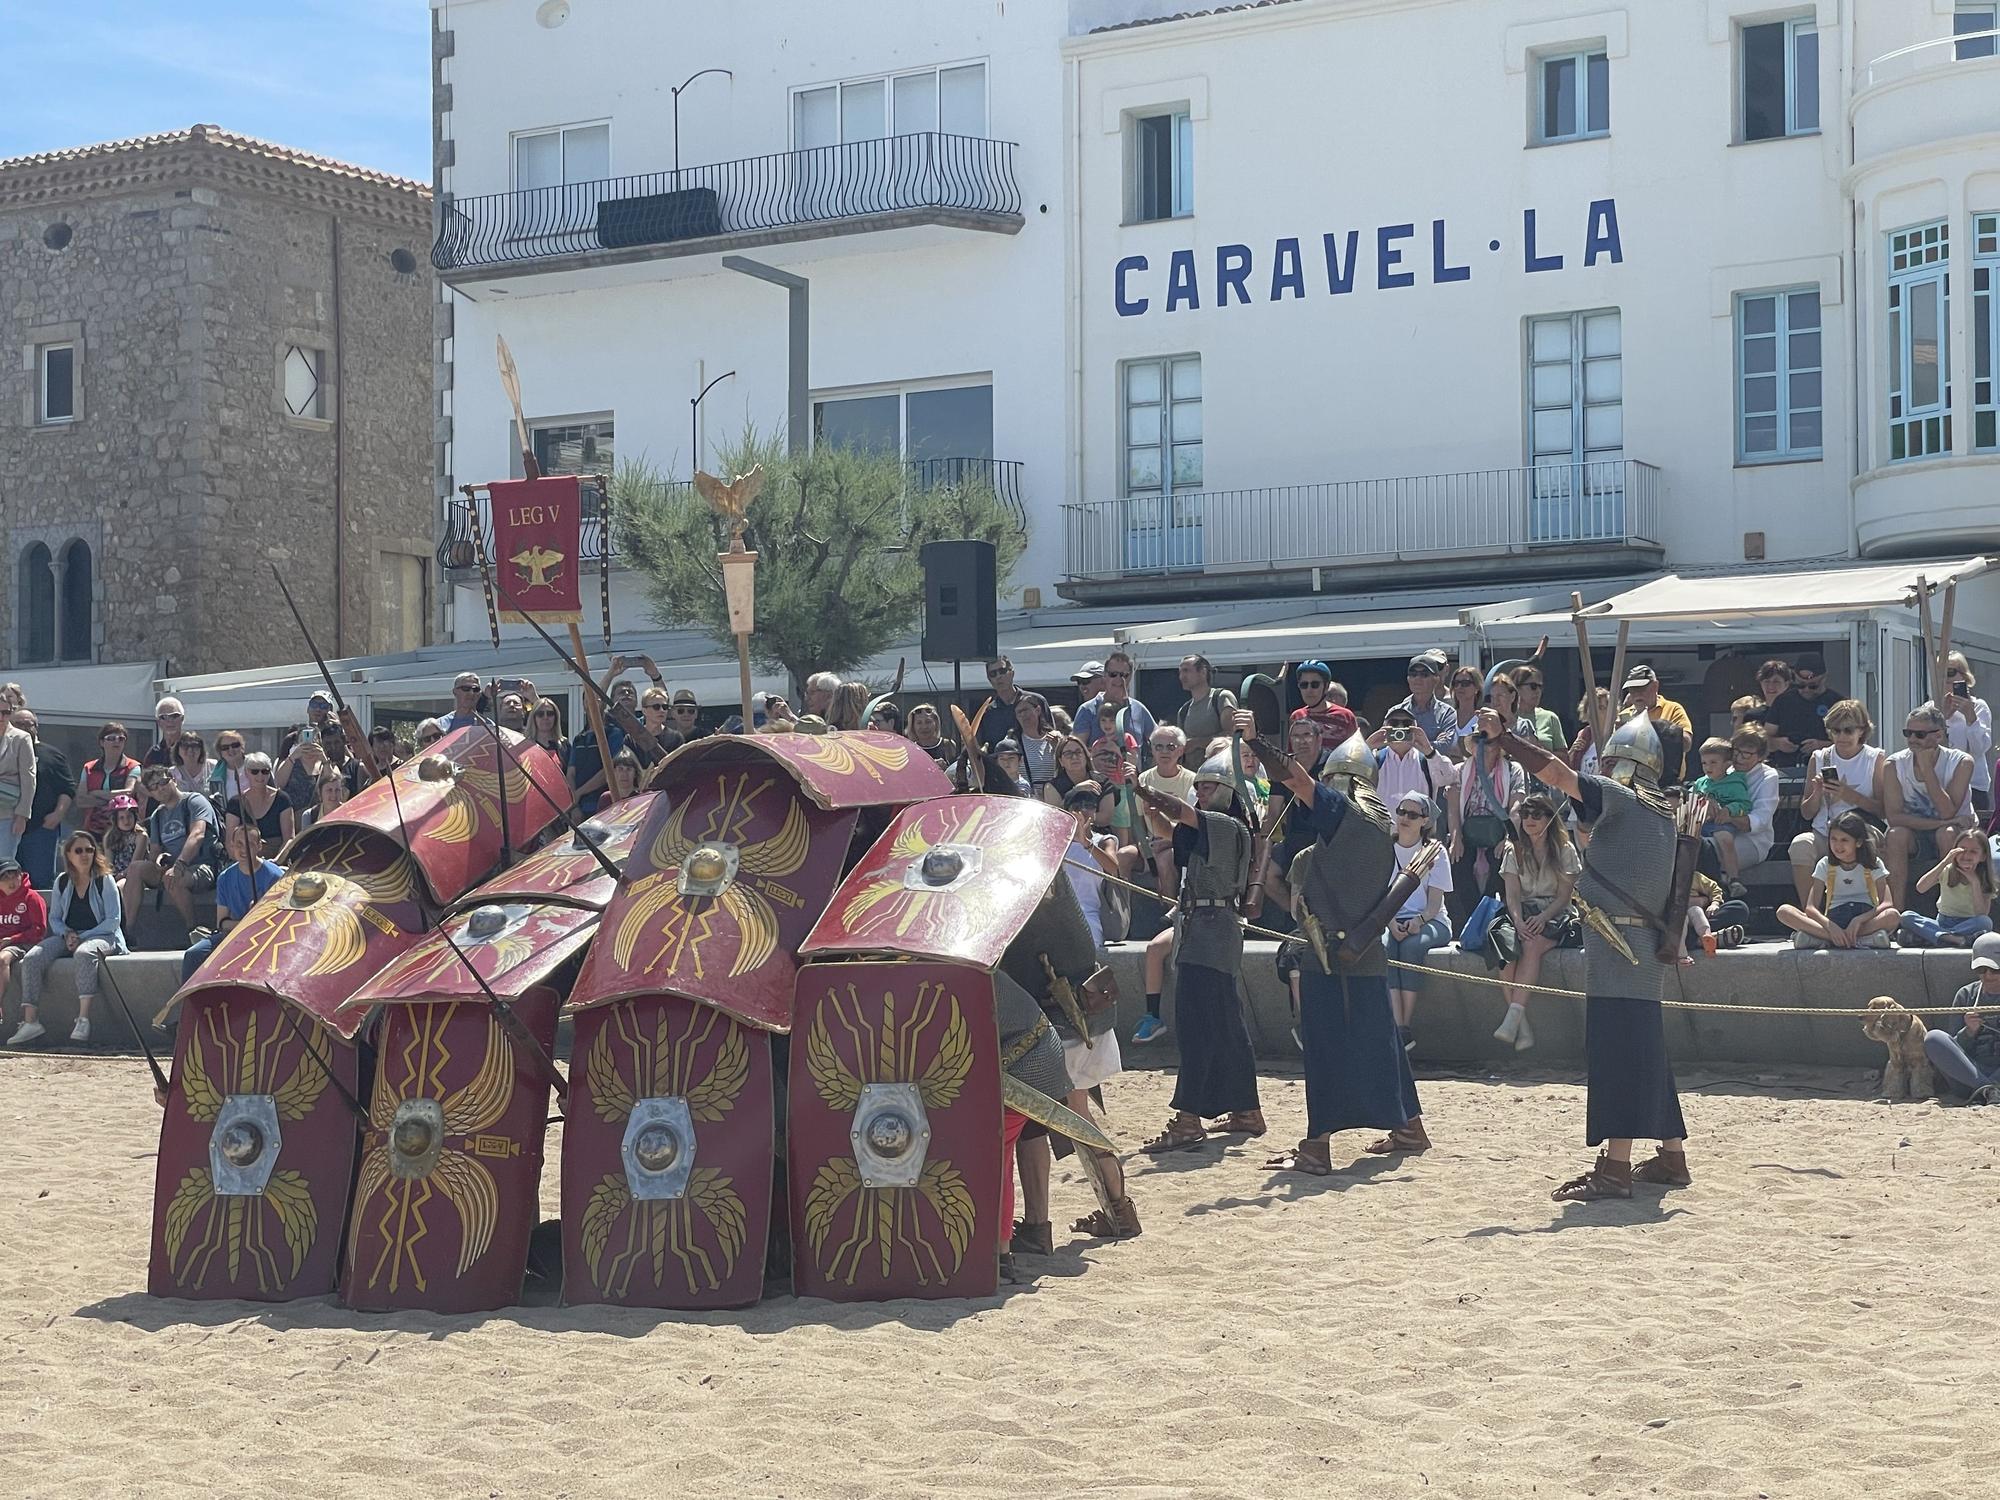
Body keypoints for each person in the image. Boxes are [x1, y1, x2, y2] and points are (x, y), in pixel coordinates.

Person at [1478, 702, 1691, 1200]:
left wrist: (1505, 740)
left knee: (1620, 1054)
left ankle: (1615, 1170)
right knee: (1645, 1052)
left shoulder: (1621, 798)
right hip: (1635, 947)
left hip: (1620, 951)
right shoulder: (1661, 810)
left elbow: (1555, 773)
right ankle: (1672, 1157)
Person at [1251, 708, 1429, 1174]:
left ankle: (1317, 1145)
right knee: (1379, 1040)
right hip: (1366, 953)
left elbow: (1298, 783)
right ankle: (1409, 1126)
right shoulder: (1377, 826)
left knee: (1326, 1047)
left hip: (1331, 955)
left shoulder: (1345, 815)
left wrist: (1256, 742)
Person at [1135, 753, 1262, 1152]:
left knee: (1195, 1026)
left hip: (1210, 932)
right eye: (1200, 786)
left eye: (1210, 786)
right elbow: (1170, 829)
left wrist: (1144, 789)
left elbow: (1179, 813)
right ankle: (1246, 1110)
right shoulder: (1212, 830)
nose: (1202, 792)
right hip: (1204, 929)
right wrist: (1140, 797)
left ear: (1228, 792)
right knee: (1226, 1024)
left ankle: (1189, 1119)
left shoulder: (1225, 824)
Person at [1487, 791, 1583, 1051]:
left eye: (1536, 814)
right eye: (1525, 814)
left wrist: (1543, 917)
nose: (1529, 819)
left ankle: (1513, 1018)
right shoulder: (1513, 849)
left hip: (1555, 913)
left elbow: (1565, 896)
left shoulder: (1565, 849)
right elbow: (1512, 895)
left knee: (1532, 945)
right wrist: (1517, 921)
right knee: (1505, 948)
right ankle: (1520, 1022)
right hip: (1521, 912)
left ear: (1550, 818)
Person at [12, 830, 126, 1044]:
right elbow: (54, 918)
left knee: (84, 954)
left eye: (89, 850)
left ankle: (83, 1019)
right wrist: (67, 933)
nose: (85, 855)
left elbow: (113, 921)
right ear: (68, 855)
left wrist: (83, 937)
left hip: (103, 935)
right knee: (32, 958)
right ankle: (30, 1021)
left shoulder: (105, 880)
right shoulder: (62, 881)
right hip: (70, 935)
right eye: (79, 850)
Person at [1789, 701, 1886, 904]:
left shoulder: (1874, 758)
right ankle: (1812, 914)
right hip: (1826, 832)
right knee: (1800, 845)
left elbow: (1883, 809)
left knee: (1864, 845)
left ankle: (1868, 908)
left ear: (1862, 731)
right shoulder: (1820, 758)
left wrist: (1850, 795)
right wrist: (1817, 794)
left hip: (1862, 831)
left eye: (1848, 730)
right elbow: (1807, 813)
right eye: (1836, 730)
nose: (1841, 736)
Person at [1883, 703, 1975, 906]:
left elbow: (1947, 811)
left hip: (1954, 832)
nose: (1912, 740)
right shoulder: (1894, 764)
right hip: (1914, 834)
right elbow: (1894, 817)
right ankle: (1894, 914)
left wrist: (1927, 769)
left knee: (1947, 834)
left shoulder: (1961, 762)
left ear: (1939, 735)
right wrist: (1939, 824)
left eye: (1920, 735)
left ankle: (1952, 911)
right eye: (1908, 733)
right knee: (1895, 835)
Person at [1383, 791, 1453, 1054]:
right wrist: (1390, 923)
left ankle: (1404, 1023)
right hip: (1391, 919)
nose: (1404, 819)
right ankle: (1397, 1026)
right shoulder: (1385, 848)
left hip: (1431, 920)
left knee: (1411, 947)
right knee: (1385, 946)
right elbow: (1380, 895)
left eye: (1412, 815)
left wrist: (1418, 921)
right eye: (1401, 812)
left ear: (1424, 821)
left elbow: (1434, 903)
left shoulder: (1435, 851)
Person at [1777, 810, 1899, 950]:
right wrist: (1831, 927)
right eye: (1833, 839)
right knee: (1784, 912)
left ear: (1858, 842)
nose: (1837, 845)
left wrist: (1859, 920)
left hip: (1863, 919)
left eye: (1844, 840)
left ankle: (1822, 939)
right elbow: (1811, 908)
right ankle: (1857, 939)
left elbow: (1887, 903)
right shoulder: (1825, 864)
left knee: (1893, 916)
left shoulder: (1873, 863)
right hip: (1834, 918)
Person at [182, 823, 284, 982]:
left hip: (265, 937)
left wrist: (258, 916)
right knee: (194, 954)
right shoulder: (225, 877)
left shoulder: (275, 876)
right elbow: (222, 923)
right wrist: (246, 922)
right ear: (231, 846)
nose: (243, 850)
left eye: (249, 844)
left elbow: (280, 921)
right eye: (239, 844)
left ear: (259, 846)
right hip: (233, 935)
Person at [1448, 716, 1522, 930]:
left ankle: (1492, 922)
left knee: (1502, 861)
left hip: (1499, 833)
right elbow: (1453, 809)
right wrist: (1456, 837)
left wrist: (1509, 838)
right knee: (1457, 860)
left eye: (1490, 741)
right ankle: (1471, 922)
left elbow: (1516, 807)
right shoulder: (1461, 770)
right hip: (1467, 832)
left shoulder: (1513, 770)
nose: (1486, 747)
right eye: (1480, 741)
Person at [128, 765, 216, 934]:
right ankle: (129, 931)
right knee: (135, 868)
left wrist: (179, 865)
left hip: (202, 866)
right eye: (153, 787)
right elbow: (154, 852)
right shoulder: (157, 816)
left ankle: (194, 930)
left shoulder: (194, 801)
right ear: (151, 793)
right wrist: (159, 860)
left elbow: (197, 834)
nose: (159, 788)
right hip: (170, 868)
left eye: (163, 782)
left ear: (174, 780)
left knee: (173, 878)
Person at [1924, 937, 2000, 1103]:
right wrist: (1968, 1032)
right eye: (1982, 969)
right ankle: (1989, 1090)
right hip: (1970, 1076)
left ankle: (1992, 1088)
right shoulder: (1966, 995)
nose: (1987, 975)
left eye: (1994, 970)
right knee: (1934, 1038)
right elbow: (1953, 1048)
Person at [1901, 828, 1996, 947]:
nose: (1966, 855)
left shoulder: (1984, 878)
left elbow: (1981, 914)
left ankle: (1939, 937)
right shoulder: (1947, 870)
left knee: (1985, 923)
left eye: (1973, 851)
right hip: (1943, 921)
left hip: (1967, 923)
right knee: (1906, 917)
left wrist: (1974, 882)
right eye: (1962, 850)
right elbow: (1921, 887)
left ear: (1983, 856)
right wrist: (1945, 861)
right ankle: (1956, 939)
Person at [13, 711, 71, 890]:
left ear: (36, 726)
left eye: (28, 724)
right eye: (18, 724)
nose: (24, 728)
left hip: (40, 830)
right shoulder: (5, 751)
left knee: (39, 883)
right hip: (8, 826)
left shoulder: (52, 755)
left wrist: (58, 814)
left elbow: (67, 789)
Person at [1939, 652, 1994, 819]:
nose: (1946, 678)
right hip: (1941, 784)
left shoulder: (1979, 707)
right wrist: (1944, 718)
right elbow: (1927, 744)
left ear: (1964, 676)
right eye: (1941, 672)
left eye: (1950, 672)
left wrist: (1971, 717)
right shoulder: (1932, 707)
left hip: (1973, 783)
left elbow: (1980, 749)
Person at [1078, 651, 1156, 765]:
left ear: (1131, 676)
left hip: (1132, 780)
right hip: (1100, 780)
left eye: (1124, 675)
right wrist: (1093, 760)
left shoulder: (1139, 709)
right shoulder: (1087, 710)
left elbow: (1159, 740)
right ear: (1104, 675)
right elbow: (1076, 748)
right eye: (1113, 674)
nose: (1119, 679)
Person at [1619, 665, 1694, 781]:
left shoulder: (1673, 709)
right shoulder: (1624, 716)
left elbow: (1687, 743)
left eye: (1641, 688)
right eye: (1632, 689)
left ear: (1655, 686)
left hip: (1666, 783)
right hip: (1632, 782)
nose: (1637, 694)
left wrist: (1655, 727)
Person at [0, 859, 49, 1028]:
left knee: (2, 959)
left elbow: (39, 931)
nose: (11, 882)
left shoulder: (32, 898)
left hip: (23, 943)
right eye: (5, 878)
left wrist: (12, 940)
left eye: (14, 876)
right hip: (4, 942)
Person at [224, 752, 296, 859]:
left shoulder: (282, 799)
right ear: (246, 773)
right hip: (245, 862)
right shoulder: (235, 803)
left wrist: (276, 862)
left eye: (265, 771)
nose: (260, 775)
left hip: (276, 862)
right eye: (255, 771)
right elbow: (230, 842)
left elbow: (289, 839)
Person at [75, 723, 141, 838]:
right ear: (101, 742)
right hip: (93, 830)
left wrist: (96, 794)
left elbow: (128, 792)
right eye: (111, 738)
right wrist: (113, 801)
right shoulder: (89, 767)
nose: (117, 742)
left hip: (123, 830)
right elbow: (81, 800)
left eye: (121, 739)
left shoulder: (133, 766)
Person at [1290, 661, 1353, 756]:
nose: (1309, 690)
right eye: (1304, 685)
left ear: (1326, 686)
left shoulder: (1345, 716)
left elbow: (1356, 752)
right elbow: (1292, 755)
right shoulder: (1297, 716)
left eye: (1315, 685)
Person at [1393, 655, 1459, 745]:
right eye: (1413, 674)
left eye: (1424, 674)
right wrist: (1432, 743)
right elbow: (1387, 745)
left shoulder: (1447, 713)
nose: (1417, 678)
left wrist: (1405, 743)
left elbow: (1446, 746)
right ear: (1408, 679)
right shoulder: (1394, 712)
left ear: (1436, 680)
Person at [1175, 655, 1238, 747]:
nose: (1181, 677)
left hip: (1220, 760)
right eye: (1180, 672)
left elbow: (1231, 735)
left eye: (1186, 671)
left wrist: (1197, 743)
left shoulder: (1222, 698)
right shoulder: (1183, 711)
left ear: (1203, 672)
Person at [0, 708, 36, 864]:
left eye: (6, 712)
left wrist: (22, 816)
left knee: (4, 863)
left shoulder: (21, 738)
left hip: (9, 814)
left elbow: (28, 778)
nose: (1, 716)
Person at [1512, 664, 1567, 754]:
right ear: (1517, 688)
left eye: (1540, 687)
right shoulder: (1506, 716)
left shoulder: (1550, 717)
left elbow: (1564, 758)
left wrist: (1538, 749)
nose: (1538, 691)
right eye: (1533, 686)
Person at [101, 794, 150, 890]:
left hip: (135, 875)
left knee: (120, 886)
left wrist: (121, 876)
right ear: (115, 820)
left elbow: (134, 864)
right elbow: (109, 863)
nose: (126, 821)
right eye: (121, 818)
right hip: (117, 875)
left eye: (129, 817)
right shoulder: (109, 837)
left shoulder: (140, 837)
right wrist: (111, 877)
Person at [1011, 693, 1059, 792]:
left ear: (1037, 710)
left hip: (1053, 796)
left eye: (1026, 710)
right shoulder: (1013, 741)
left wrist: (1058, 748)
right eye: (1019, 712)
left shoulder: (1055, 738)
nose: (1023, 715)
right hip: (1027, 798)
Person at [975, 658, 1024, 750]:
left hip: (1032, 762)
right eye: (993, 674)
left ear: (1012, 673)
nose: (998, 676)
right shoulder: (986, 713)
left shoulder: (1034, 701)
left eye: (1002, 671)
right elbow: (982, 745)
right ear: (989, 680)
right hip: (998, 763)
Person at [1043, 734, 1094, 808]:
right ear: (1061, 761)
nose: (1074, 757)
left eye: (1078, 752)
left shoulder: (1101, 780)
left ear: (1086, 756)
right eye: (1068, 754)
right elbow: (1056, 815)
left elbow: (1105, 816)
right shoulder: (1052, 787)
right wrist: (1075, 791)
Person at [528, 698, 570, 774]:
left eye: (550, 713)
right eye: (540, 714)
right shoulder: (526, 746)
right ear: (534, 718)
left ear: (556, 717)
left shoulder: (564, 745)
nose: (545, 717)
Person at [144, 697, 188, 768]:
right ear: (158, 722)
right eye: (164, 717)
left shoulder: (192, 748)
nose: (170, 720)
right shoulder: (153, 754)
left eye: (174, 716)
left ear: (182, 718)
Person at [168, 731, 213, 798]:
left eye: (194, 746)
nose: (190, 750)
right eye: (185, 746)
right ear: (178, 749)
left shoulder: (213, 767)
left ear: (201, 749)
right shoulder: (171, 773)